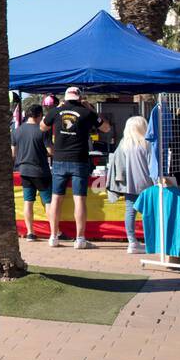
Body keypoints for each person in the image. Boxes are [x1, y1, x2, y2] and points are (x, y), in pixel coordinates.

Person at [42, 86, 111, 248]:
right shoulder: (87, 113)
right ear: (79, 98)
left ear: (65, 98)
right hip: (79, 160)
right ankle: (80, 239)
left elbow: (42, 127)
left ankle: (53, 236)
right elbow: (106, 128)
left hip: (59, 159)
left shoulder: (56, 112)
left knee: (56, 198)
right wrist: (89, 109)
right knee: (79, 199)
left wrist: (57, 109)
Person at [107, 115, 155, 254]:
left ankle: (132, 241)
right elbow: (153, 166)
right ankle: (151, 241)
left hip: (129, 185)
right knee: (149, 213)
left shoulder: (123, 144)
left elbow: (116, 165)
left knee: (130, 212)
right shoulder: (147, 144)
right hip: (148, 184)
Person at [12, 104, 52, 241]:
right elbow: (50, 151)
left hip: (24, 170)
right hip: (41, 171)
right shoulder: (43, 130)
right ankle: (55, 232)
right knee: (48, 202)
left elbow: (13, 153)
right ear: (39, 115)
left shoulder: (17, 131)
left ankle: (30, 232)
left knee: (28, 201)